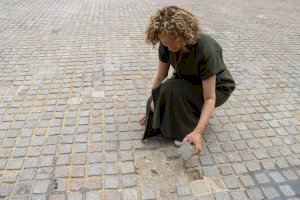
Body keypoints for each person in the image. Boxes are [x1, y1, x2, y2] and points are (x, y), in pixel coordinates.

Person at [139, 6, 235, 155]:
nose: (169, 47)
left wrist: (198, 131)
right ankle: (193, 110)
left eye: (172, 41)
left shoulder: (204, 48)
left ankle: (188, 128)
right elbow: (160, 77)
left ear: (185, 33)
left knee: (173, 89)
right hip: (189, 79)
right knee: (152, 103)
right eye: (164, 42)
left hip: (217, 87)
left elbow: (210, 98)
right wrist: (154, 103)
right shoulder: (166, 46)